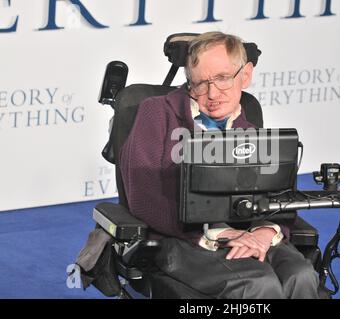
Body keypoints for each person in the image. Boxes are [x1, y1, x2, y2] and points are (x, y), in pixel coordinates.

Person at [119, 31, 320, 298]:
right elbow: (143, 199)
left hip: (247, 234)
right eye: (201, 83)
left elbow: (276, 198)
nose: (213, 93)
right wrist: (222, 233)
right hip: (181, 239)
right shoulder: (156, 113)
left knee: (302, 275)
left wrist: (264, 232)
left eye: (223, 78)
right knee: (257, 284)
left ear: (245, 75)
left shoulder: (248, 127)